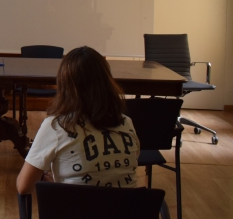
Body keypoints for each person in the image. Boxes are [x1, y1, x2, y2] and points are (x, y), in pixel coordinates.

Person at [16, 46, 140, 194]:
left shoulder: (57, 126)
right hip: (127, 215)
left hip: (77, 215)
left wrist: (56, 183)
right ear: (107, 81)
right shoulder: (126, 123)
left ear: (64, 84)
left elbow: (24, 187)